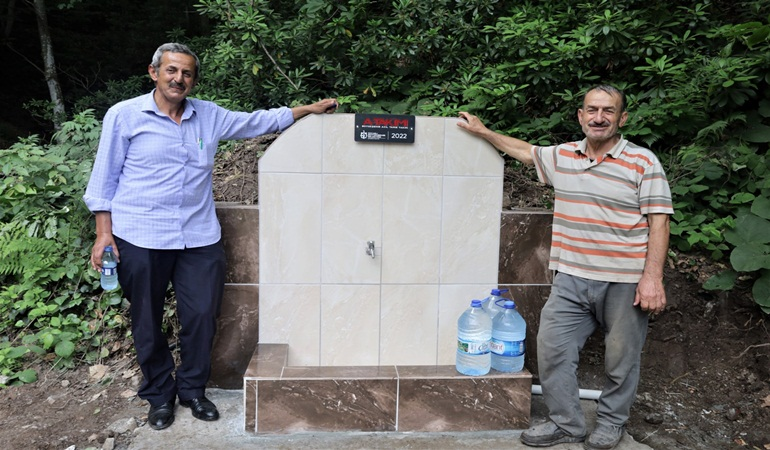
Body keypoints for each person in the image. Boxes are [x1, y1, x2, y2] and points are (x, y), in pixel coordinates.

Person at [83, 42, 337, 431]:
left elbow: (257, 121)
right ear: (154, 73)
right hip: (140, 234)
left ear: (193, 80)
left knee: (201, 314)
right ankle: (158, 394)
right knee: (147, 319)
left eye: (186, 73)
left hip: (198, 236)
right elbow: (104, 178)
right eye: (171, 71)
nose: (178, 78)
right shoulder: (125, 116)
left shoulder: (209, 116)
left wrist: (307, 110)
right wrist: (104, 234)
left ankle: (192, 390)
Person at [457, 85, 672, 450]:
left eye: (608, 111)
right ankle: (566, 423)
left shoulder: (643, 162)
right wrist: (483, 132)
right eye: (591, 109)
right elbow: (526, 152)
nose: (598, 117)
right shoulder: (564, 156)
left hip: (624, 280)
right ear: (581, 115)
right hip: (570, 276)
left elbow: (660, 221)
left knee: (621, 358)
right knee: (553, 347)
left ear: (622, 118)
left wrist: (652, 278)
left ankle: (611, 423)